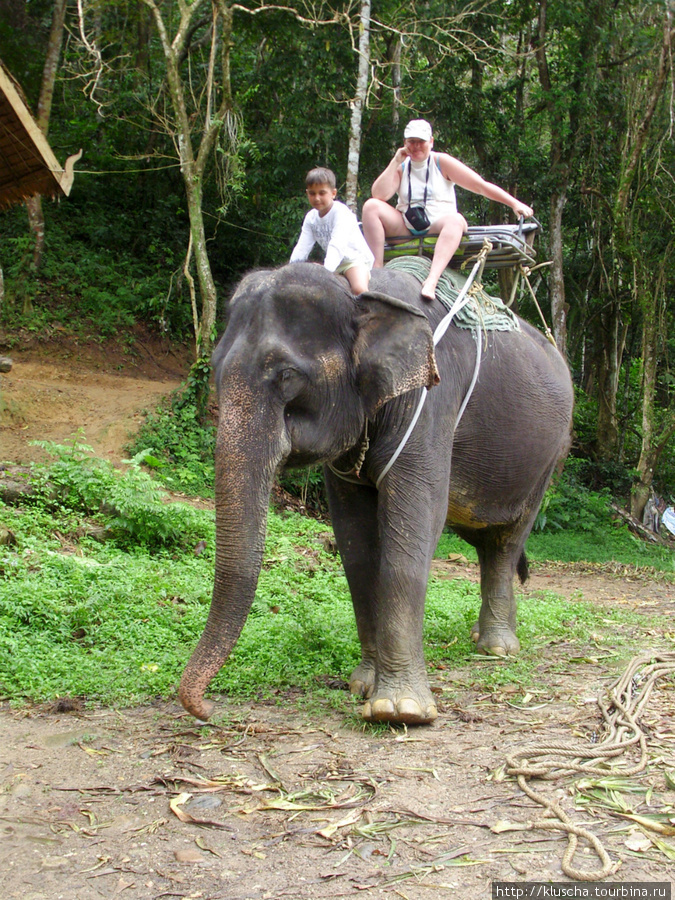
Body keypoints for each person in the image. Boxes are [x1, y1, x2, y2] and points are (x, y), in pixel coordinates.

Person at [361, 119, 534, 300]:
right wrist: (396, 160)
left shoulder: (440, 161)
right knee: (370, 206)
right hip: (406, 225)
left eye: (421, 141)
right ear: (405, 143)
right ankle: (376, 269)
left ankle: (432, 281)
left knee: (456, 220)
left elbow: (480, 186)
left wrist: (514, 203)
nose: (416, 146)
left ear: (431, 142)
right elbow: (379, 194)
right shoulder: (402, 166)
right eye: (412, 141)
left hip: (438, 225)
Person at [290, 167, 374, 295]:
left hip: (353, 261)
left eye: (322, 193)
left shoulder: (341, 212)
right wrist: (290, 271)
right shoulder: (311, 218)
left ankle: (372, 313)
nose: (317, 198)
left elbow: (337, 245)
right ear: (307, 193)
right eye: (312, 193)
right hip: (333, 263)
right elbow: (302, 248)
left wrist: (325, 272)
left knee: (359, 290)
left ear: (333, 193)